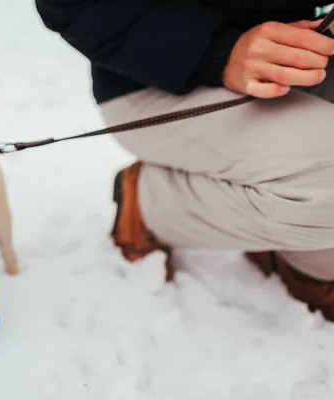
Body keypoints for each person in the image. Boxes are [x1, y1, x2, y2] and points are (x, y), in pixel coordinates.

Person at [35, 1, 334, 320]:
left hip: (307, 53)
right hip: (158, 78)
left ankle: (290, 234)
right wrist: (219, 50)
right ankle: (149, 201)